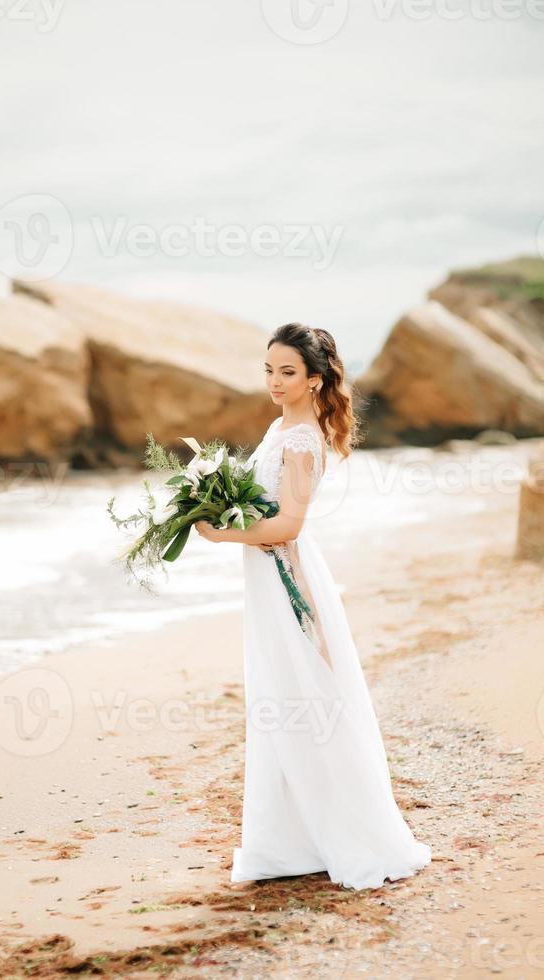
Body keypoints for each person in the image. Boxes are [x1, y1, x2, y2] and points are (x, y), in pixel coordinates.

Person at [194, 322, 431, 890]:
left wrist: (222, 534)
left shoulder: (302, 440)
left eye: (288, 372)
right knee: (283, 696)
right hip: (268, 575)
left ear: (315, 379)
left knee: (305, 696)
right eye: (269, 370)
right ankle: (294, 836)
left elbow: (290, 525)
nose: (275, 382)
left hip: (286, 576)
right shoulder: (282, 425)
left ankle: (345, 832)